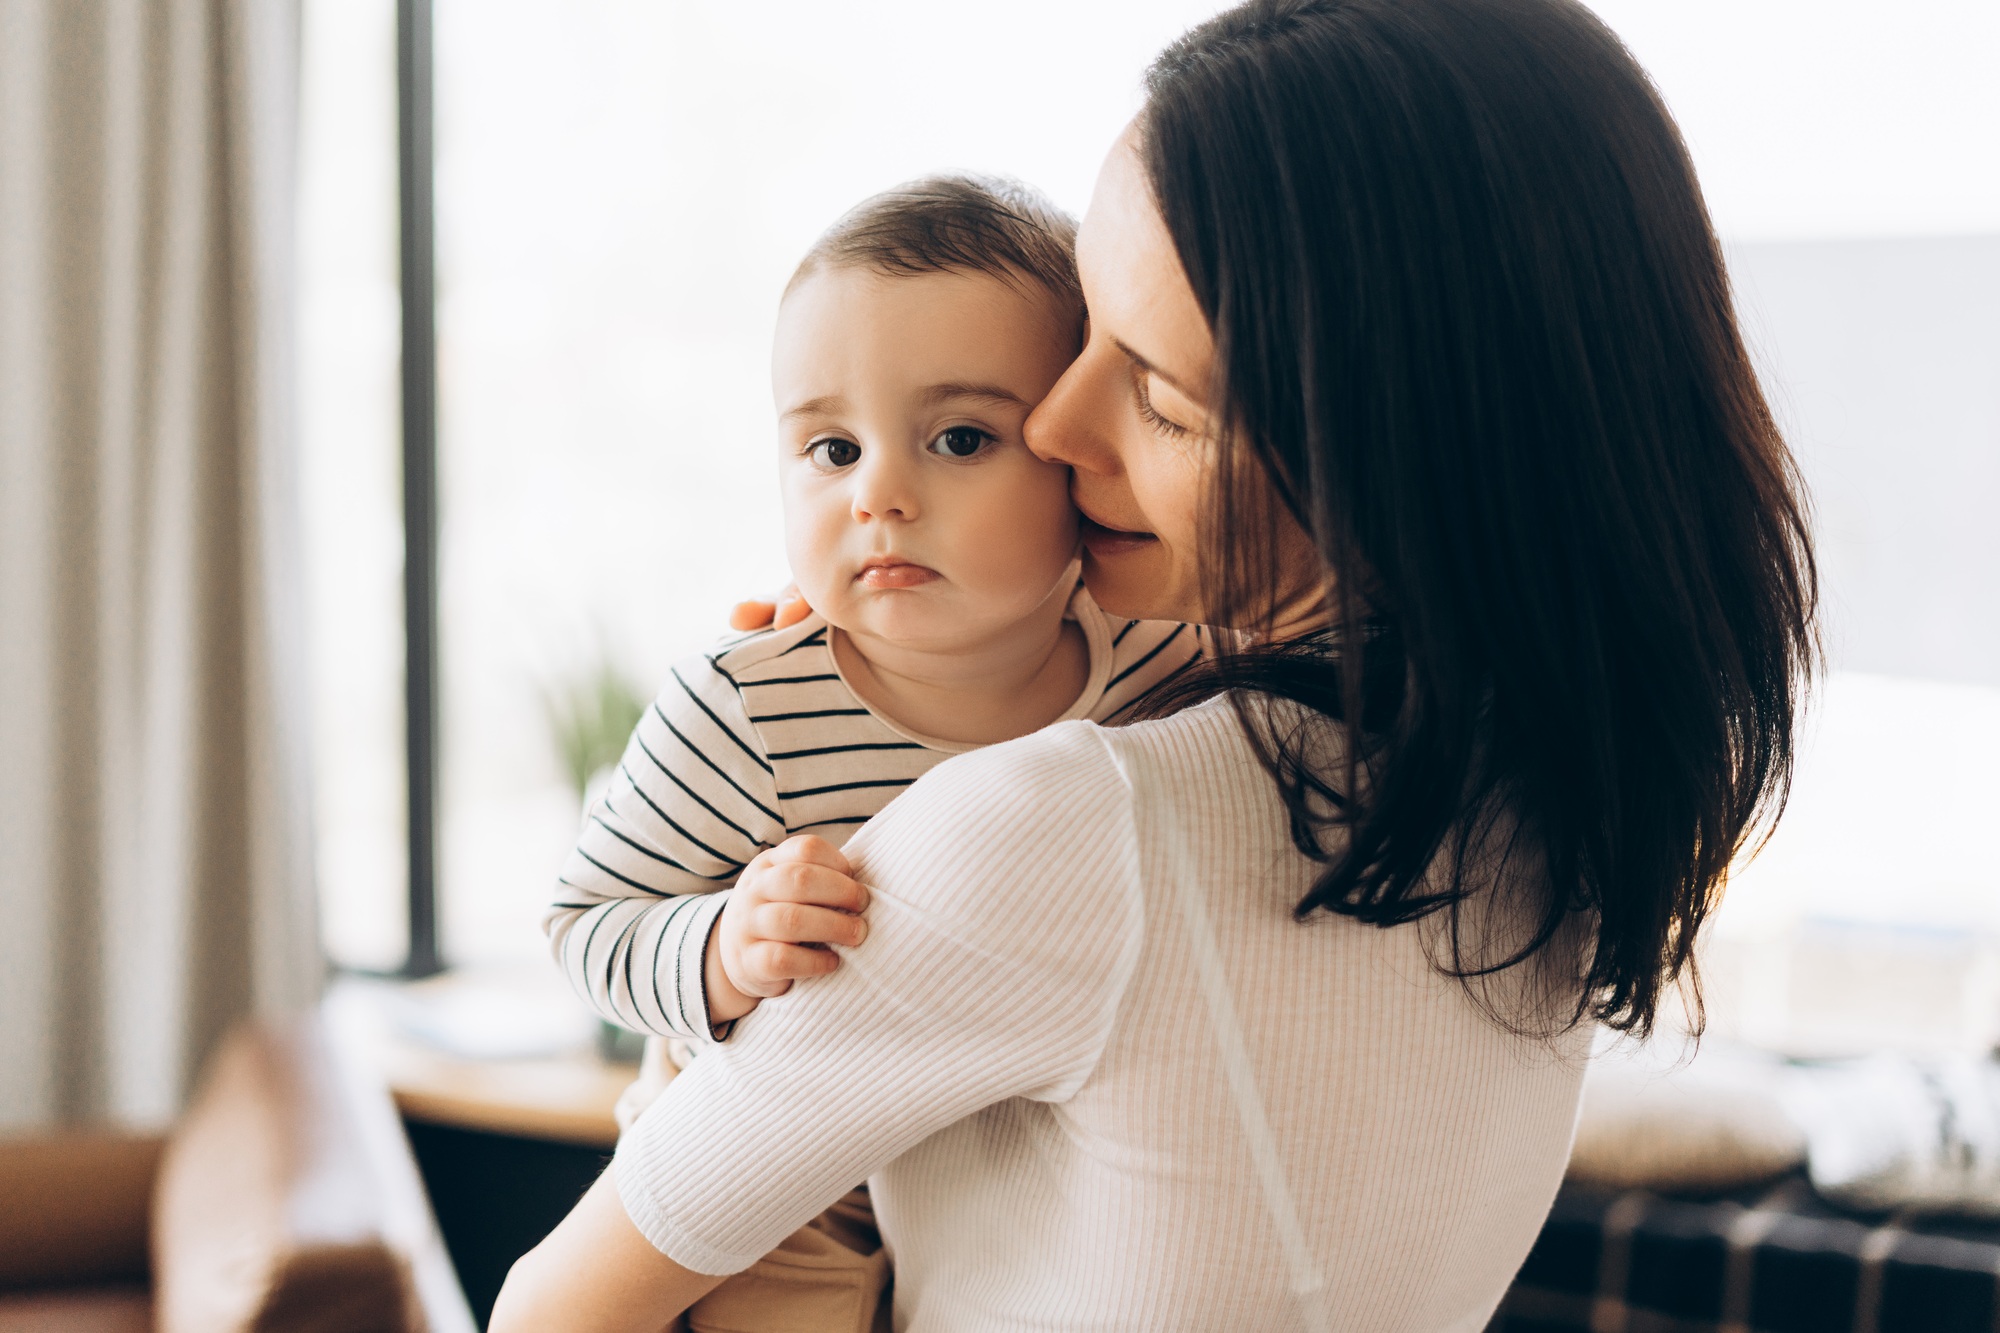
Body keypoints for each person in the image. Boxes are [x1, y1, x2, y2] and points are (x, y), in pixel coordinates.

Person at [494, 1, 1817, 1329]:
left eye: (1160, 396)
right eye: (1083, 339)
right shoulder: (1566, 779)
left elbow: (552, 1309)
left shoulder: (1075, 824)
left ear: (1392, 454)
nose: (1054, 428)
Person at [545, 173, 1197, 1329]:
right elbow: (585, 922)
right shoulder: (746, 704)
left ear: (1080, 458)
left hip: (1010, 1142)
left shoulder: (1163, 660)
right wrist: (723, 946)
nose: (878, 494)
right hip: (780, 1185)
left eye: (960, 438)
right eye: (831, 447)